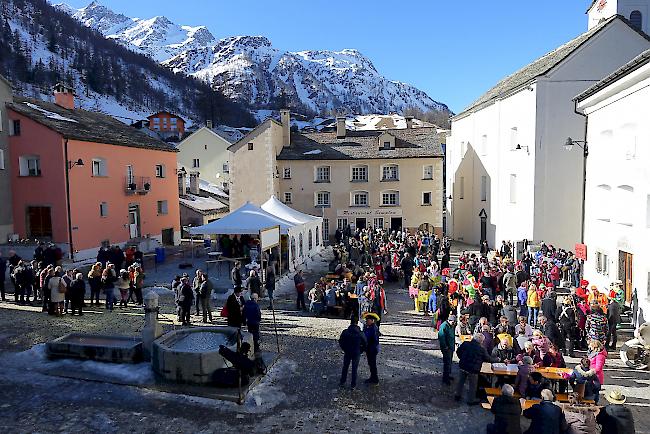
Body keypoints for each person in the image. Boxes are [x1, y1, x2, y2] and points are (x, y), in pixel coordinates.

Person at [455, 333, 497, 405]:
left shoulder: (465, 343)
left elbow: (458, 352)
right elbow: (488, 359)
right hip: (473, 370)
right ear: (481, 341)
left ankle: (457, 396)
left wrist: (461, 359)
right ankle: (470, 400)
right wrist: (497, 359)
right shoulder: (481, 349)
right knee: (473, 385)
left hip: (463, 366)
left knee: (460, 382)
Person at [338, 315, 367, 390]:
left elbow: (341, 341)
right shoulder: (360, 333)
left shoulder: (345, 332)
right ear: (357, 323)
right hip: (356, 352)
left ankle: (342, 381)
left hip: (347, 351)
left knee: (345, 367)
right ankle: (353, 385)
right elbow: (365, 343)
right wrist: (361, 351)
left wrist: (344, 349)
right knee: (354, 368)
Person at [438, 314, 456, 385]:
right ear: (449, 320)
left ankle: (448, 375)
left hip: (450, 347)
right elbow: (441, 337)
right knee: (447, 363)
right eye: (453, 322)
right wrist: (445, 346)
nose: (454, 323)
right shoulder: (444, 326)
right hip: (447, 348)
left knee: (449, 362)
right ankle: (445, 378)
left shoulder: (451, 325)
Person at [363, 313, 380, 385]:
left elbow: (371, 339)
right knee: (371, 364)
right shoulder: (370, 327)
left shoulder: (373, 328)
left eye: (368, 320)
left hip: (372, 349)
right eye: (366, 320)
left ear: (372, 320)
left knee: (372, 364)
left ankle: (375, 380)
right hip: (370, 349)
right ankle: (372, 377)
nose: (366, 321)